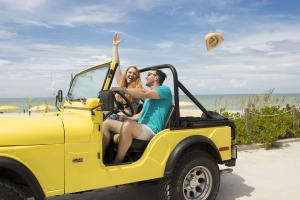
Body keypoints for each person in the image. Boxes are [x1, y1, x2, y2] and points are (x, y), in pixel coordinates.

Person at [103, 68, 172, 164]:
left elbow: (144, 93)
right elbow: (140, 115)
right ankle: (101, 160)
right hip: (141, 128)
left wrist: (122, 89)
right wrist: (126, 117)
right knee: (106, 123)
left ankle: (117, 163)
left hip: (152, 130)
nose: (146, 77)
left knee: (127, 125)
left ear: (156, 78)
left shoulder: (164, 90)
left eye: (149, 74)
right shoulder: (149, 98)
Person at [111, 33, 143, 119]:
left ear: (137, 77)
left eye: (134, 74)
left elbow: (149, 99)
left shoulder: (138, 88)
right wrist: (115, 46)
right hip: (117, 115)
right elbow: (116, 65)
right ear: (126, 73)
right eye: (130, 72)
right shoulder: (121, 83)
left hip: (127, 119)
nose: (131, 74)